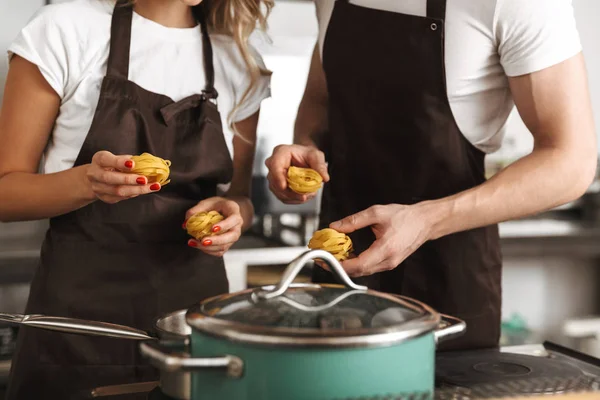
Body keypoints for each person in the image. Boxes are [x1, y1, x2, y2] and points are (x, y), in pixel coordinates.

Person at [266, 0, 597, 350]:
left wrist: (425, 221)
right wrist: (305, 147)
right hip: (341, 275)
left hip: (448, 284)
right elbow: (320, 100)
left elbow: (571, 160)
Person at [0, 0, 271, 397]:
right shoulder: (65, 29)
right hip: (79, 327)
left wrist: (234, 215)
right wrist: (88, 183)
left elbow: (241, 200)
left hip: (194, 331)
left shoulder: (239, 59)